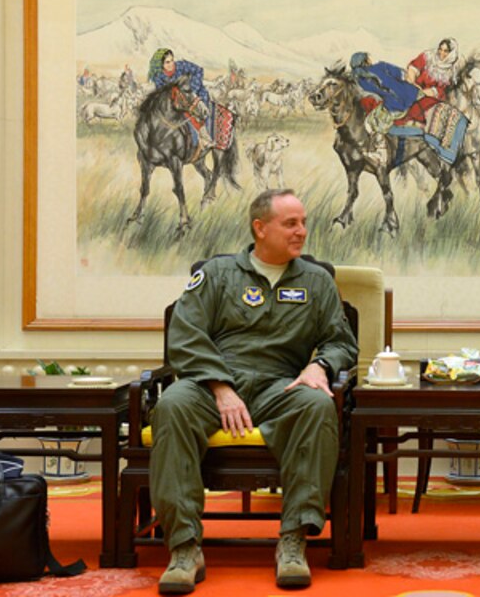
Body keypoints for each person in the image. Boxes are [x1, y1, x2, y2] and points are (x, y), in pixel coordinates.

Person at [149, 189, 358, 594]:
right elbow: (185, 335)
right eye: (291, 224)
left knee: (317, 405)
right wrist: (220, 386)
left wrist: (319, 365)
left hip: (281, 384)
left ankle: (293, 540)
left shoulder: (317, 281)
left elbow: (342, 342)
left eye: (303, 222)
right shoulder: (217, 274)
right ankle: (184, 546)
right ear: (260, 228)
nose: (302, 232)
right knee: (172, 405)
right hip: (213, 383)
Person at [349, 51, 422, 166]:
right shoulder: (381, 66)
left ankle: (381, 152)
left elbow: (369, 97)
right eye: (368, 58)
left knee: (370, 123)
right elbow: (403, 75)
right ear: (366, 61)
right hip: (412, 94)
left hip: (394, 105)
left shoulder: (360, 81)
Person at [148, 48, 213, 148]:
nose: (171, 64)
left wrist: (192, 88)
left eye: (172, 60)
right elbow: (161, 94)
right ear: (161, 65)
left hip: (194, 94)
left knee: (198, 112)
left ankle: (204, 137)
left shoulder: (182, 66)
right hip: (177, 100)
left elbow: (199, 70)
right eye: (167, 62)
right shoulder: (159, 77)